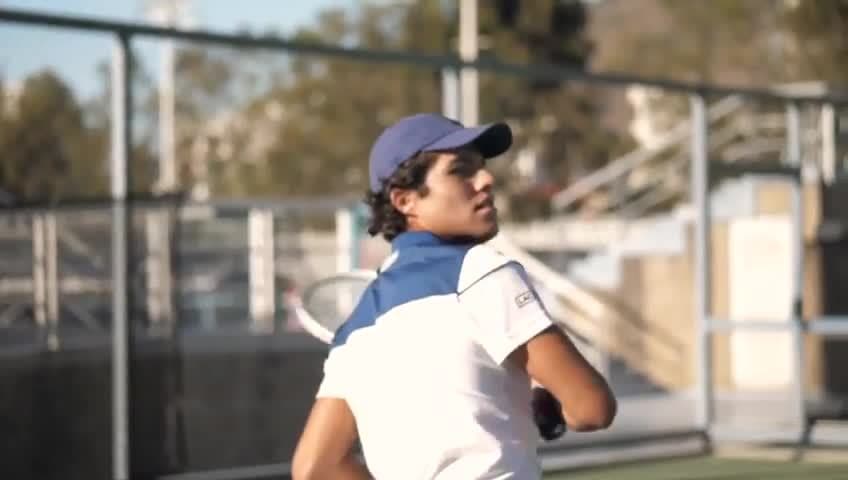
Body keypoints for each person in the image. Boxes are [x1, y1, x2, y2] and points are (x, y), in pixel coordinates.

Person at [292, 113, 617, 480]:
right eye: (461, 170)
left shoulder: (352, 331)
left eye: (481, 167)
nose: (486, 179)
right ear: (405, 201)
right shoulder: (483, 271)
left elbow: (315, 468)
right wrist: (554, 401)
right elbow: (592, 409)